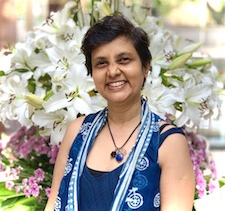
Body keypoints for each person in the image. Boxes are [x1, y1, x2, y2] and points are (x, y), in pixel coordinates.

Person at [45, 14, 195, 211]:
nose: (113, 71)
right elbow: (53, 204)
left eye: (124, 60)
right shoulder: (77, 132)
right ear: (92, 73)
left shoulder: (167, 142)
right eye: (101, 63)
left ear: (145, 66)